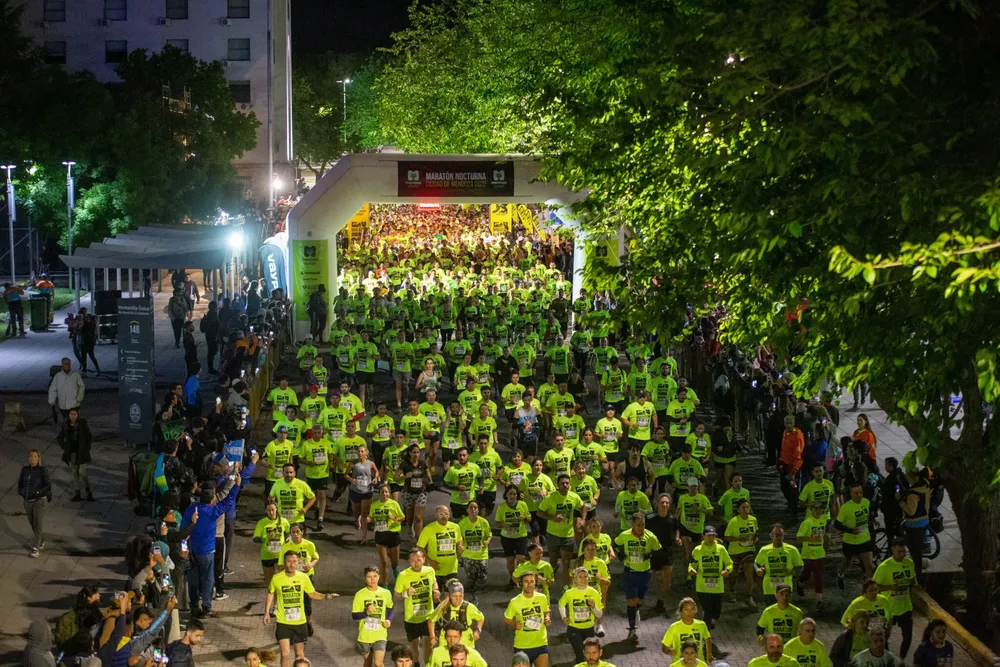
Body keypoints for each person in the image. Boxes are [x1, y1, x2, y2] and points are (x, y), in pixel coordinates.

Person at [264, 551, 339, 667]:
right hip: (283, 622)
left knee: (299, 655)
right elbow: (270, 593)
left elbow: (312, 594)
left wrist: (326, 597)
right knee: (285, 655)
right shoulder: (277, 578)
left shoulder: (303, 577)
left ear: (298, 562)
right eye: (289, 561)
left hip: (300, 622)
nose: (292, 564)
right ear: (284, 563)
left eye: (294, 561)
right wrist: (267, 613)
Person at [182, 476, 241, 618]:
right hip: (207, 552)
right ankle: (207, 607)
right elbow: (228, 502)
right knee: (208, 579)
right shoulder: (213, 511)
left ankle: (194, 606)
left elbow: (183, 528)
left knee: (193, 579)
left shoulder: (191, 509)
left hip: (191, 551)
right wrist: (236, 486)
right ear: (211, 500)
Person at [614, 511, 662, 644]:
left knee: (640, 600)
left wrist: (650, 555)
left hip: (645, 573)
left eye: (643, 525)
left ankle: (636, 610)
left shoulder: (650, 536)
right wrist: (620, 554)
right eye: (639, 525)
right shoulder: (625, 535)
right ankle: (632, 630)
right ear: (632, 525)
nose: (641, 528)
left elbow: (658, 549)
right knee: (631, 600)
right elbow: (616, 544)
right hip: (630, 572)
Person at [538, 473, 583, 591]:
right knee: (553, 558)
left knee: (566, 561)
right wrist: (552, 518)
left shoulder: (574, 497)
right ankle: (550, 578)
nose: (565, 485)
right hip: (552, 534)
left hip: (567, 535)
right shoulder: (550, 498)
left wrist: (581, 519)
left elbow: (583, 506)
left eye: (567, 483)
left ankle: (565, 586)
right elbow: (540, 513)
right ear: (558, 485)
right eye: (562, 483)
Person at [688, 525, 732, 631]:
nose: (711, 538)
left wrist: (727, 570)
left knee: (716, 612)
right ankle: (706, 634)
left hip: (717, 586)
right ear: (703, 536)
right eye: (708, 536)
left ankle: (712, 618)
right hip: (702, 586)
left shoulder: (721, 549)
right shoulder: (698, 550)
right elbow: (691, 564)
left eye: (713, 536)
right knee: (707, 610)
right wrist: (690, 570)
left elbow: (729, 563)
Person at [504, 570, 552, 667]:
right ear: (521, 583)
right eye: (526, 581)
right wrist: (514, 624)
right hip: (522, 646)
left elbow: (546, 611)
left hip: (541, 643)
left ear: (535, 583)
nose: (529, 584)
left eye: (532, 581)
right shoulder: (515, 602)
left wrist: (547, 618)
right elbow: (507, 618)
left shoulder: (542, 598)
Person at [558, 566, 604, 663]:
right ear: (575, 579)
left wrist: (594, 606)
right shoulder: (569, 593)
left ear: (589, 578)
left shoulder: (594, 593)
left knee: (589, 656)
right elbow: (561, 604)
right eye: (580, 577)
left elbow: (599, 615)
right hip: (574, 629)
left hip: (589, 630)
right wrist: (564, 617)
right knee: (580, 654)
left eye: (585, 576)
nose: (583, 579)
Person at [353, 564, 394, 667]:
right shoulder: (360, 594)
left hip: (380, 634)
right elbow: (354, 616)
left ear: (379, 577)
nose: (372, 580)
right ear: (365, 578)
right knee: (368, 663)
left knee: (378, 664)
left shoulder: (386, 593)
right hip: (365, 636)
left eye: (375, 576)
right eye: (369, 577)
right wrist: (365, 613)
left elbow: (390, 607)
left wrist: (389, 619)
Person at [835, 481, 875, 586]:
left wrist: (872, 521)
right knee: (847, 562)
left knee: (869, 566)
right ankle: (840, 574)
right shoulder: (846, 508)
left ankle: (869, 587)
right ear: (850, 494)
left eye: (860, 492)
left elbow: (867, 516)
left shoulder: (866, 502)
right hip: (850, 541)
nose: (859, 495)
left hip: (864, 539)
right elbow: (837, 525)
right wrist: (851, 531)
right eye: (856, 493)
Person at [417, 506, 464, 592]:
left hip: (452, 569)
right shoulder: (428, 529)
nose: (444, 516)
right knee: (435, 596)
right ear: (436, 515)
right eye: (441, 514)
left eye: (446, 514)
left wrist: (460, 546)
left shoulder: (455, 527)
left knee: (451, 596)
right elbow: (420, 547)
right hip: (435, 570)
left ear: (449, 515)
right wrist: (430, 561)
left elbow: (459, 539)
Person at [754, 523, 804, 601]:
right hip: (769, 588)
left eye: (780, 535)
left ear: (783, 536)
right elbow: (756, 563)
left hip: (785, 589)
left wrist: (792, 573)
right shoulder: (764, 550)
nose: (778, 537)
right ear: (771, 535)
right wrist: (757, 569)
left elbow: (800, 566)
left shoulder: (792, 550)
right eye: (776, 534)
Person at [430, 579, 485, 648]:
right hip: (446, 643)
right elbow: (431, 620)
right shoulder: (443, 606)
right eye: (454, 596)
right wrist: (433, 637)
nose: (458, 599)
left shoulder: (468, 607)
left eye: (460, 596)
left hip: (466, 643)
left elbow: (481, 618)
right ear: (449, 595)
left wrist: (478, 631)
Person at [725, 498, 760, 608]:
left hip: (749, 550)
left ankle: (749, 596)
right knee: (733, 574)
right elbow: (727, 537)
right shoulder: (733, 521)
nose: (746, 510)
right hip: (735, 551)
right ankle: (731, 590)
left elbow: (756, 533)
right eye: (743, 508)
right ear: (738, 509)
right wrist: (738, 538)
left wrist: (756, 539)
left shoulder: (753, 520)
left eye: (747, 507)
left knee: (749, 574)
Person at [18, 449, 51, 557]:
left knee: (38, 524)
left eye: (35, 456)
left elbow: (47, 485)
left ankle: (36, 548)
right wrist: (21, 492)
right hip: (27, 501)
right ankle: (41, 539)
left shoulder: (42, 470)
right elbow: (20, 483)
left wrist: (37, 492)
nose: (33, 458)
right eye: (31, 456)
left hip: (39, 500)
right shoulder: (25, 470)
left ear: (38, 458)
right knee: (32, 523)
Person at [57, 407, 94, 502]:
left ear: (77, 415)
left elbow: (88, 436)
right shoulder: (65, 425)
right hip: (72, 453)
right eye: (71, 414)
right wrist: (64, 447)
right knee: (75, 473)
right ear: (69, 415)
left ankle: (88, 491)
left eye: (74, 414)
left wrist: (87, 448)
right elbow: (60, 437)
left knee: (82, 472)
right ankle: (77, 493)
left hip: (82, 453)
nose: (73, 416)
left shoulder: (82, 423)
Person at [796, 504, 829, 607]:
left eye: (820, 509)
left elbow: (823, 534)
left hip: (819, 553)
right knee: (807, 574)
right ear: (811, 510)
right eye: (816, 509)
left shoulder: (823, 520)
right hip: (808, 553)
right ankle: (800, 581)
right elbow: (799, 537)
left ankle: (819, 600)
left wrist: (827, 541)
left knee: (819, 576)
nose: (818, 511)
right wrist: (811, 539)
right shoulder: (807, 523)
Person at [661, 597, 713, 663]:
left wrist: (709, 655)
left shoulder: (701, 625)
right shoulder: (674, 627)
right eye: (686, 609)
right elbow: (664, 647)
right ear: (681, 611)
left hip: (698, 663)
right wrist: (670, 651)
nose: (689, 612)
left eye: (692, 609)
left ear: (695, 610)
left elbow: (708, 638)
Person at [457, 501, 492, 598]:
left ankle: (478, 582)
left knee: (482, 577)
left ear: (478, 510)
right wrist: (460, 546)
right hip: (467, 554)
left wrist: (487, 541)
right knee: (471, 575)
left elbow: (489, 535)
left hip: (481, 554)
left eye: (475, 508)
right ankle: (471, 589)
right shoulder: (462, 523)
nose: (473, 510)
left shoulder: (484, 522)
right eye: (471, 508)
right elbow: (459, 538)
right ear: (467, 510)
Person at [253, 497, 291, 584]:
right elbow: (255, 538)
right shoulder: (261, 522)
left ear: (276, 509)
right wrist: (265, 537)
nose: (271, 512)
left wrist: (287, 539)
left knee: (282, 582)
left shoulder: (284, 521)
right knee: (269, 583)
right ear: (265, 511)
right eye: (268, 510)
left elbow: (288, 533)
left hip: (280, 555)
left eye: (273, 510)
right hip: (267, 555)